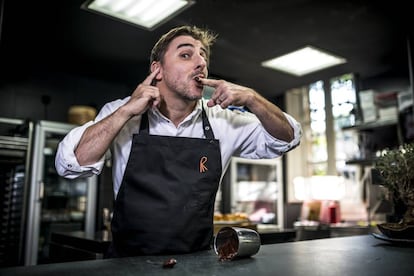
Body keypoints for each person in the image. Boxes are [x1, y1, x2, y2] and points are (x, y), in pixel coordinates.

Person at [55, 25, 302, 257]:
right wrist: (126, 111)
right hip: (127, 263)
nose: (201, 63)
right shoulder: (122, 112)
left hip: (198, 263)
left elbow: (288, 137)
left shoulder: (222, 120)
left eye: (203, 56)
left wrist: (252, 99)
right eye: (186, 55)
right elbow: (71, 164)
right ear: (157, 70)